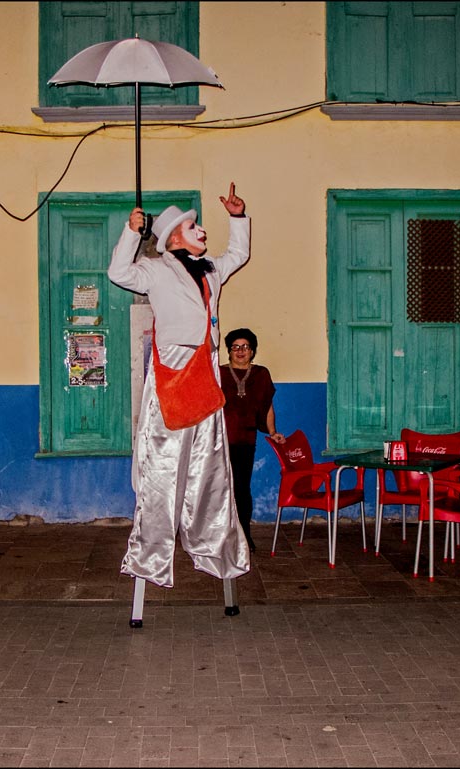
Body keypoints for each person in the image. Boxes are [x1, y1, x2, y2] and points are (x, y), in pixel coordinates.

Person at [107, 182, 252, 589]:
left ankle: (212, 546)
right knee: (163, 467)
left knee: (210, 468)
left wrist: (237, 217)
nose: (202, 230)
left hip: (204, 372)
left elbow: (239, 253)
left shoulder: (210, 270)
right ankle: (151, 555)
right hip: (172, 370)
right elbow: (118, 272)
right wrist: (132, 232)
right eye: (194, 226)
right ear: (174, 236)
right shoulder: (156, 269)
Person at [220, 328, 285, 553]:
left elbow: (267, 406)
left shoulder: (261, 375)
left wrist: (272, 431)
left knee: (241, 489)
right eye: (235, 347)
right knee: (218, 489)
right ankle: (218, 538)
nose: (240, 351)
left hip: (245, 440)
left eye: (245, 347)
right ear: (229, 350)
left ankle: (244, 536)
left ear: (253, 351)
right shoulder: (218, 373)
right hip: (218, 442)